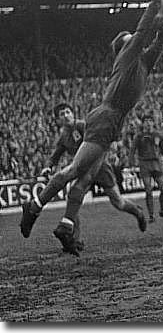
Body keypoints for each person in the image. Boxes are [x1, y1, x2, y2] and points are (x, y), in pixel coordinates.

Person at [20, 0, 163, 256]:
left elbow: (158, 45)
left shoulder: (142, 64)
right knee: (74, 172)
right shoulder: (127, 57)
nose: (136, 42)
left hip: (111, 122)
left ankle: (66, 226)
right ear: (123, 48)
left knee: (82, 176)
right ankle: (35, 206)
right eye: (130, 40)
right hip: (106, 117)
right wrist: (153, 4)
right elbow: (141, 33)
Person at [34, 103, 147, 245]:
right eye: (62, 114)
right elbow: (55, 155)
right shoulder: (64, 137)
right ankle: (74, 238)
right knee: (73, 197)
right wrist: (48, 167)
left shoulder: (82, 126)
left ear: (73, 114)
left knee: (118, 202)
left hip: (100, 168)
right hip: (82, 171)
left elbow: (101, 137)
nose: (66, 115)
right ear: (57, 120)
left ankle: (138, 213)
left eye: (68, 112)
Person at [130, 113, 163, 223]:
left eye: (150, 120)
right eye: (146, 120)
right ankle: (151, 215)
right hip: (144, 164)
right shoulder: (138, 136)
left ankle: (162, 210)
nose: (148, 122)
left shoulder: (158, 135)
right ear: (143, 123)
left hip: (156, 164)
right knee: (148, 189)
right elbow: (132, 151)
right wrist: (132, 164)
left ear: (153, 122)